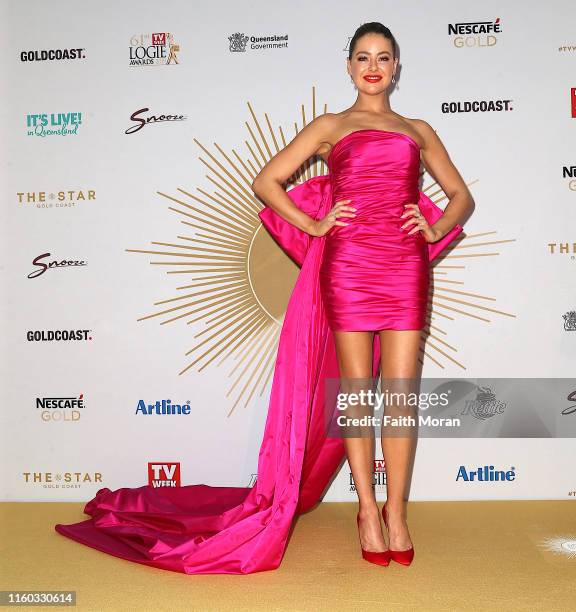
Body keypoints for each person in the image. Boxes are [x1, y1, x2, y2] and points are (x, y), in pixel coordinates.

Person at [54, 22, 473, 574]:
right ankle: (367, 512)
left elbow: (463, 196)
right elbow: (266, 182)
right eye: (363, 57)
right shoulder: (331, 125)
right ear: (348, 67)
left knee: (397, 398)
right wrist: (316, 223)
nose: (373, 66)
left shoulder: (418, 129)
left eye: (384, 57)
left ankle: (397, 513)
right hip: (349, 266)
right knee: (355, 396)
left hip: (403, 266)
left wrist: (434, 223)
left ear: (397, 67)